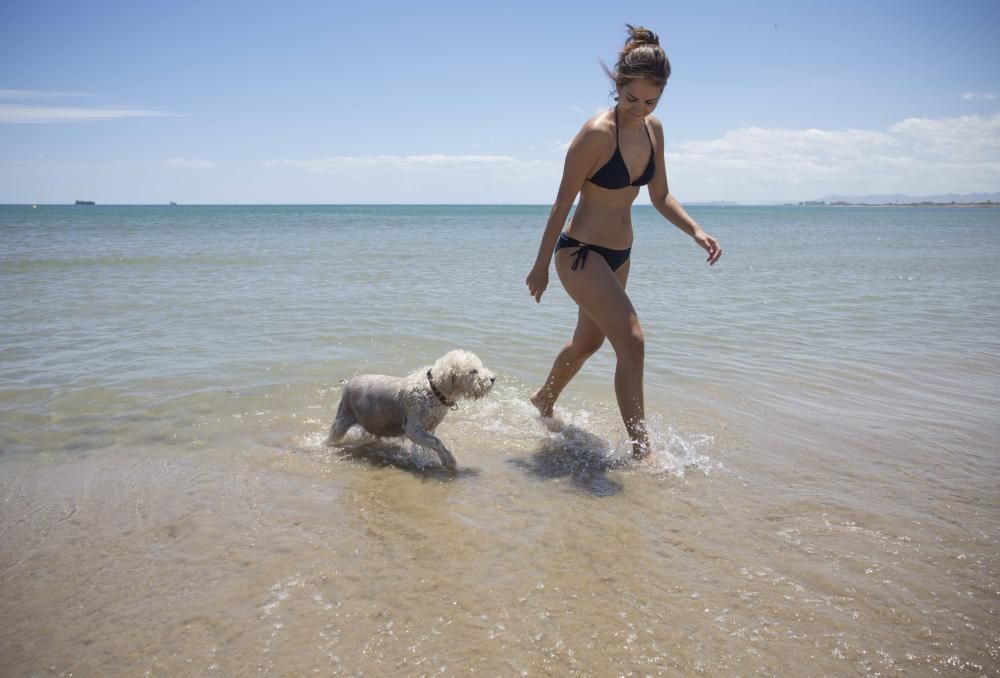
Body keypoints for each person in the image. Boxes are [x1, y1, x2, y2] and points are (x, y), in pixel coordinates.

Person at [525, 24, 722, 459]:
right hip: (580, 253)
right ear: (617, 87)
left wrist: (695, 229)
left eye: (651, 100)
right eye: (632, 99)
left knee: (588, 343)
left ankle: (543, 400)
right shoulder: (596, 133)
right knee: (632, 341)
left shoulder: (654, 131)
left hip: (620, 254)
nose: (640, 108)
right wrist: (540, 266)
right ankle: (643, 452)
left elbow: (660, 195)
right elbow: (561, 204)